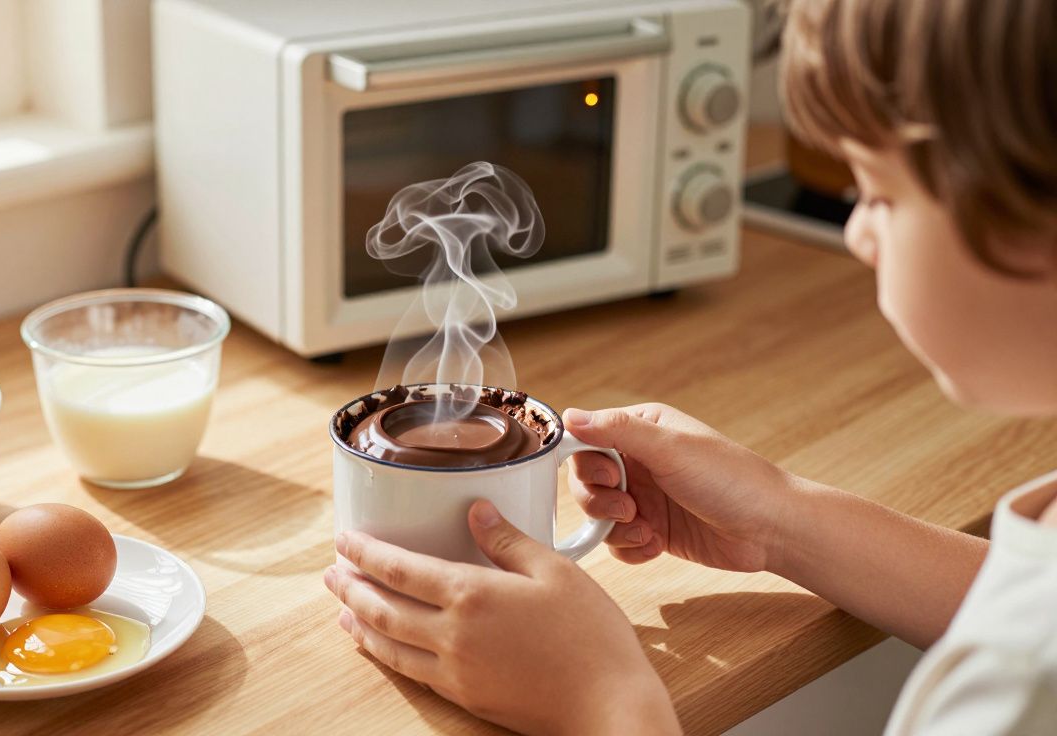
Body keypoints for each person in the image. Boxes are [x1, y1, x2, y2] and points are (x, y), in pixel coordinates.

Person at [323, 0, 1057, 732]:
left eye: (880, 192)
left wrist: (606, 700)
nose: (859, 232)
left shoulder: (1019, 686)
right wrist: (780, 520)